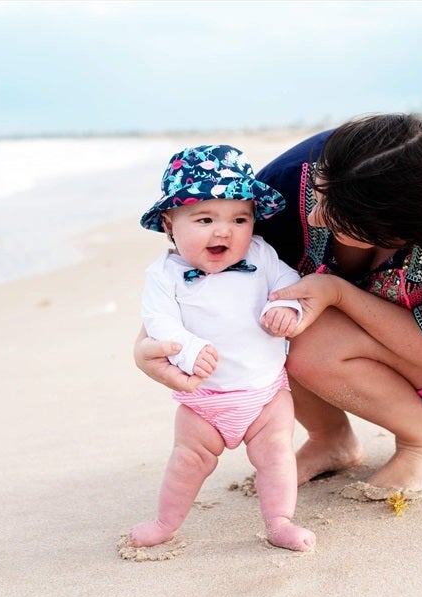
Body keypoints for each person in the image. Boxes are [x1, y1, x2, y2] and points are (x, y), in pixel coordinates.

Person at [133, 114, 422, 496]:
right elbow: (201, 277)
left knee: (308, 339)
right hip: (349, 342)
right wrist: (147, 346)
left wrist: (339, 293)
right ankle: (330, 438)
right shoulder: (299, 181)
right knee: (268, 315)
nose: (312, 214)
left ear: (401, 226)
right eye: (321, 194)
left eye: (335, 214)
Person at [129, 144, 315, 553]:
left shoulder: (261, 256)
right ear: (169, 223)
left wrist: (284, 306)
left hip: (265, 393)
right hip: (205, 401)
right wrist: (186, 349)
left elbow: (290, 285)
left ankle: (280, 521)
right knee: (187, 461)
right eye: (205, 218)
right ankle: (165, 522)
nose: (224, 230)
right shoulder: (164, 276)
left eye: (239, 218)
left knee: (276, 456)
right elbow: (158, 323)